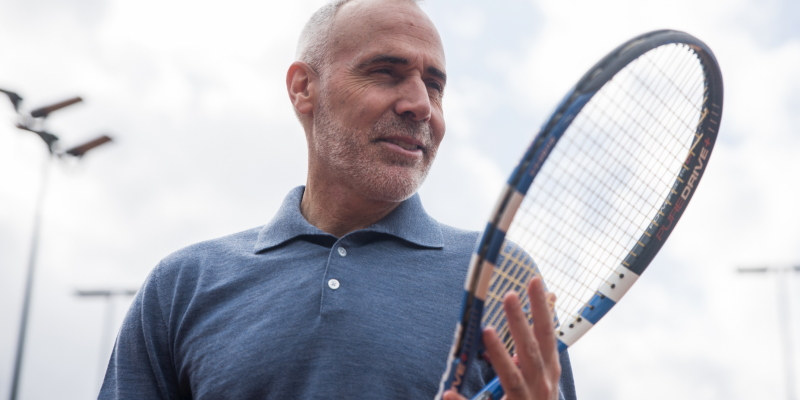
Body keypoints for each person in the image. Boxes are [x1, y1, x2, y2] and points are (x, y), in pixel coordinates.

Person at [99, 0, 577, 399]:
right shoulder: (181, 286)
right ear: (303, 88)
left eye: (434, 85)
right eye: (386, 72)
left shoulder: (503, 280)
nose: (421, 105)